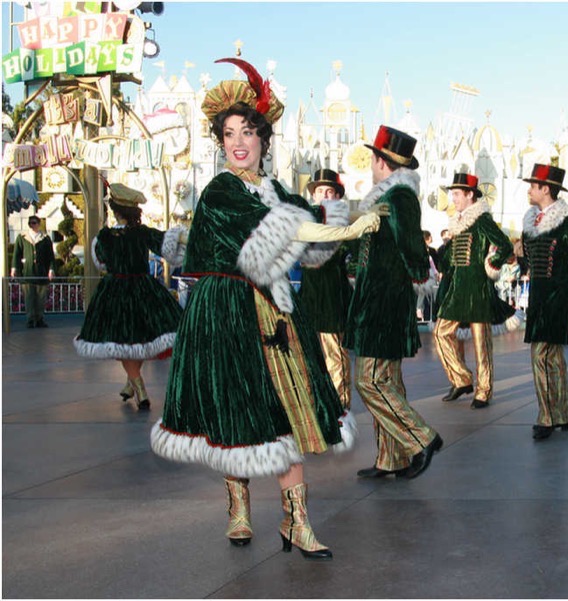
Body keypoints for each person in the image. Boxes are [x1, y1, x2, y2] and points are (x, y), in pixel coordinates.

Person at [150, 58, 382, 560]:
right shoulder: (221, 191)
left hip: (273, 312)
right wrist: (346, 226)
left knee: (286, 415)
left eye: (248, 131)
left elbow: (304, 232)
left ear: (263, 139)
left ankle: (297, 522)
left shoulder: (274, 189)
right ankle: (238, 509)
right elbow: (290, 228)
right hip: (226, 310)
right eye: (230, 132)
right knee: (236, 413)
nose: (238, 141)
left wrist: (340, 215)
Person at [343, 124, 443, 480]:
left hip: (384, 301)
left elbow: (411, 245)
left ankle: (420, 438)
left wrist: (419, 277)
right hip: (379, 297)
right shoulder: (389, 196)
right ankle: (392, 458)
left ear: (378, 160)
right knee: (388, 379)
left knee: (369, 382)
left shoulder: (399, 196)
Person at [73, 184, 185, 410]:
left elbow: (101, 262)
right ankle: (131, 383)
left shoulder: (104, 237)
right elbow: (168, 245)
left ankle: (140, 388)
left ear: (115, 211)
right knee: (139, 337)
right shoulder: (143, 233)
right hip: (143, 288)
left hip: (115, 290)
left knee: (124, 340)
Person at [514, 164, 568, 440]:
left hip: (558, 297)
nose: (529, 190)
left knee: (540, 354)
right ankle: (562, 414)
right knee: (552, 357)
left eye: (533, 185)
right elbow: (531, 263)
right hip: (539, 298)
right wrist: (519, 254)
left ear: (546, 189)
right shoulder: (531, 222)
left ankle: (547, 417)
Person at [433, 172, 517, 410]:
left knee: (482, 343)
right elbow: (451, 258)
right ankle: (461, 378)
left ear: (470, 195)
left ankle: (484, 390)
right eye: (452, 194)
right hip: (457, 290)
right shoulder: (458, 223)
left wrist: (492, 263)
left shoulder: (482, 220)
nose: (454, 199)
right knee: (441, 333)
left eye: (457, 194)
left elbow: (505, 244)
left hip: (478, 288)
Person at [297, 169, 355, 411]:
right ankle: (314, 401)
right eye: (320, 191)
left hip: (333, 294)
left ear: (337, 196)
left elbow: (353, 256)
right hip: (309, 294)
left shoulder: (344, 224)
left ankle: (340, 403)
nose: (324, 195)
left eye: (329, 191)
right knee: (308, 351)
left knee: (335, 352)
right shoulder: (305, 221)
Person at [11, 215, 55, 328]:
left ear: (39, 224)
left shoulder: (45, 238)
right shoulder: (22, 237)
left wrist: (51, 270)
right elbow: (17, 254)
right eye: (30, 223)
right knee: (29, 298)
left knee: (40, 298)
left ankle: (39, 319)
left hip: (41, 273)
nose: (32, 225)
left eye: (34, 223)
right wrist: (14, 268)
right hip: (28, 273)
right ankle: (30, 319)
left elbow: (50, 256)